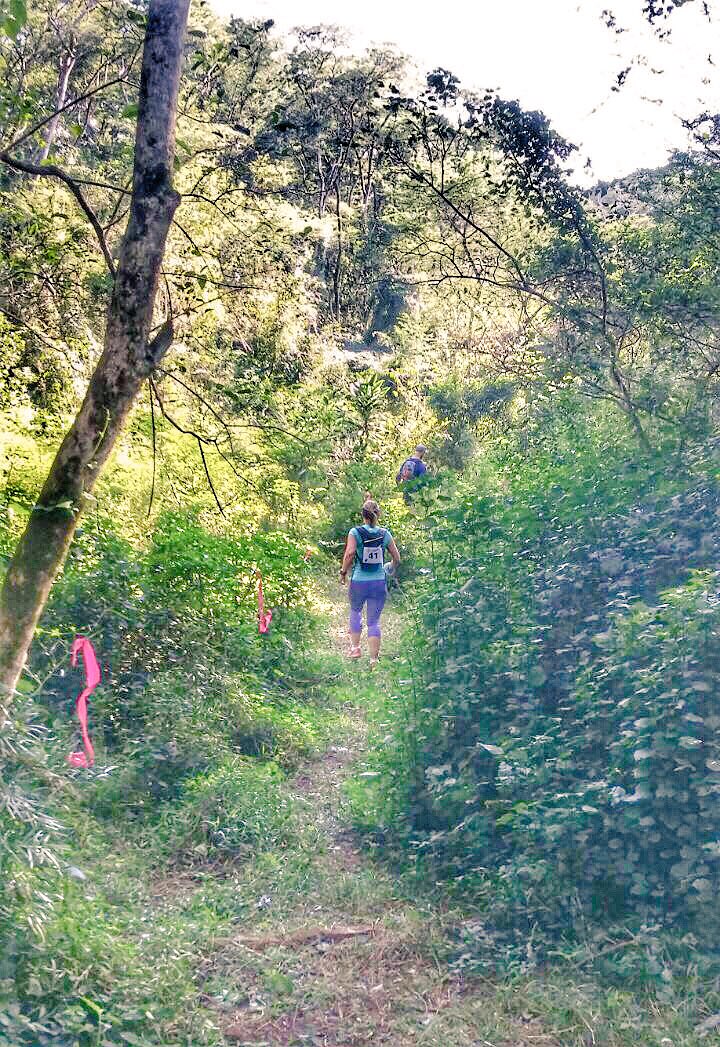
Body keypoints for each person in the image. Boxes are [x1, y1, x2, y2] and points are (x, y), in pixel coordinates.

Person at [339, 497, 400, 666]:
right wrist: (390, 567)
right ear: (377, 514)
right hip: (378, 581)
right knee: (373, 621)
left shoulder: (355, 532)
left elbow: (350, 553)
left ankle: (355, 648)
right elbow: (397, 558)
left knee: (355, 611)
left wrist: (343, 572)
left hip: (359, 580)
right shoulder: (384, 534)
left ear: (363, 515)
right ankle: (373, 660)